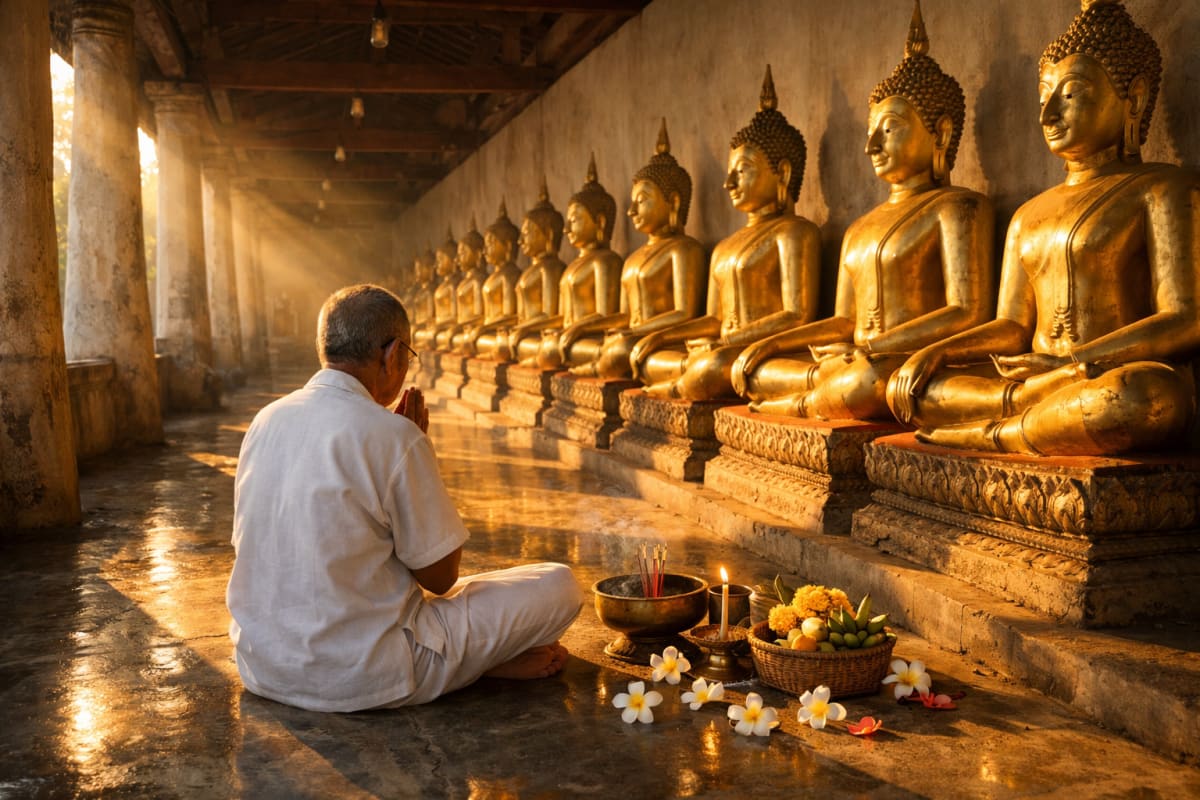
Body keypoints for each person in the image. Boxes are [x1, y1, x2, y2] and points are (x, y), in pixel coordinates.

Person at [227, 284, 582, 712]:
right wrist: (418, 451)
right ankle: (477, 662)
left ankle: (478, 660)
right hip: (368, 675)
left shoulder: (265, 420)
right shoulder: (395, 437)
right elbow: (440, 577)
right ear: (393, 355)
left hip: (264, 667)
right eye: (408, 357)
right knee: (559, 585)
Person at [886, 0, 1199, 456]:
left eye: (1069, 95)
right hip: (1031, 383)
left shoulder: (1164, 188)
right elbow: (1013, 324)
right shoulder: (1028, 214)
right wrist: (937, 352)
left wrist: (1072, 363)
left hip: (1104, 377)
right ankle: (1026, 416)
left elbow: (1186, 318)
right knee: (915, 387)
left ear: (1132, 98)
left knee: (1144, 400)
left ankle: (996, 434)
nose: (1047, 114)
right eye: (1043, 96)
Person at [731, 1, 994, 420]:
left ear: (941, 133)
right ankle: (814, 395)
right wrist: (772, 344)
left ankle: (800, 404)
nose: (872, 145)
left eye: (889, 129)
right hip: (855, 360)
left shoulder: (957, 208)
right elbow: (843, 319)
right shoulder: (859, 228)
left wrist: (873, 347)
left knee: (869, 380)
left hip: (901, 363)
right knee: (761, 369)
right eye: (871, 131)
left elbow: (967, 311)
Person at [630, 67, 822, 400]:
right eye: (729, 171)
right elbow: (713, 318)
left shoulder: (795, 232)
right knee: (669, 358)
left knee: (714, 365)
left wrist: (731, 340)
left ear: (782, 172)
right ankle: (683, 381)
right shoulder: (724, 247)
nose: (728, 183)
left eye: (742, 170)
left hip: (767, 354)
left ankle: (677, 387)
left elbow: (797, 315)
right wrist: (660, 338)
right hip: (727, 352)